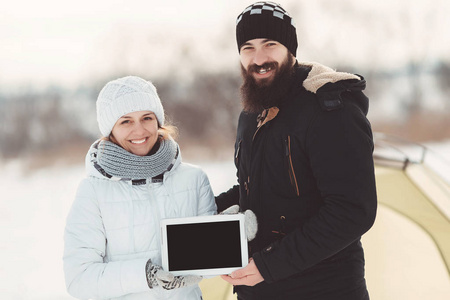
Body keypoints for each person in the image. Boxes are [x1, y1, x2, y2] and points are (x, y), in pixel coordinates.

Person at [217, 2, 378, 299]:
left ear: (291, 49)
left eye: (270, 44)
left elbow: (352, 211)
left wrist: (269, 265)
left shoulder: (329, 110)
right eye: (248, 47)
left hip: (326, 289)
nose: (259, 58)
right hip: (259, 290)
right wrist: (203, 211)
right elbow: (254, 189)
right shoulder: (251, 114)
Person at [63, 76, 217, 300]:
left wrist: (233, 234)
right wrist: (146, 275)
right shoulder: (93, 192)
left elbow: (211, 263)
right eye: (126, 121)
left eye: (147, 117)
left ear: (158, 122)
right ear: (110, 130)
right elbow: (79, 279)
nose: (139, 130)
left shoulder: (194, 179)